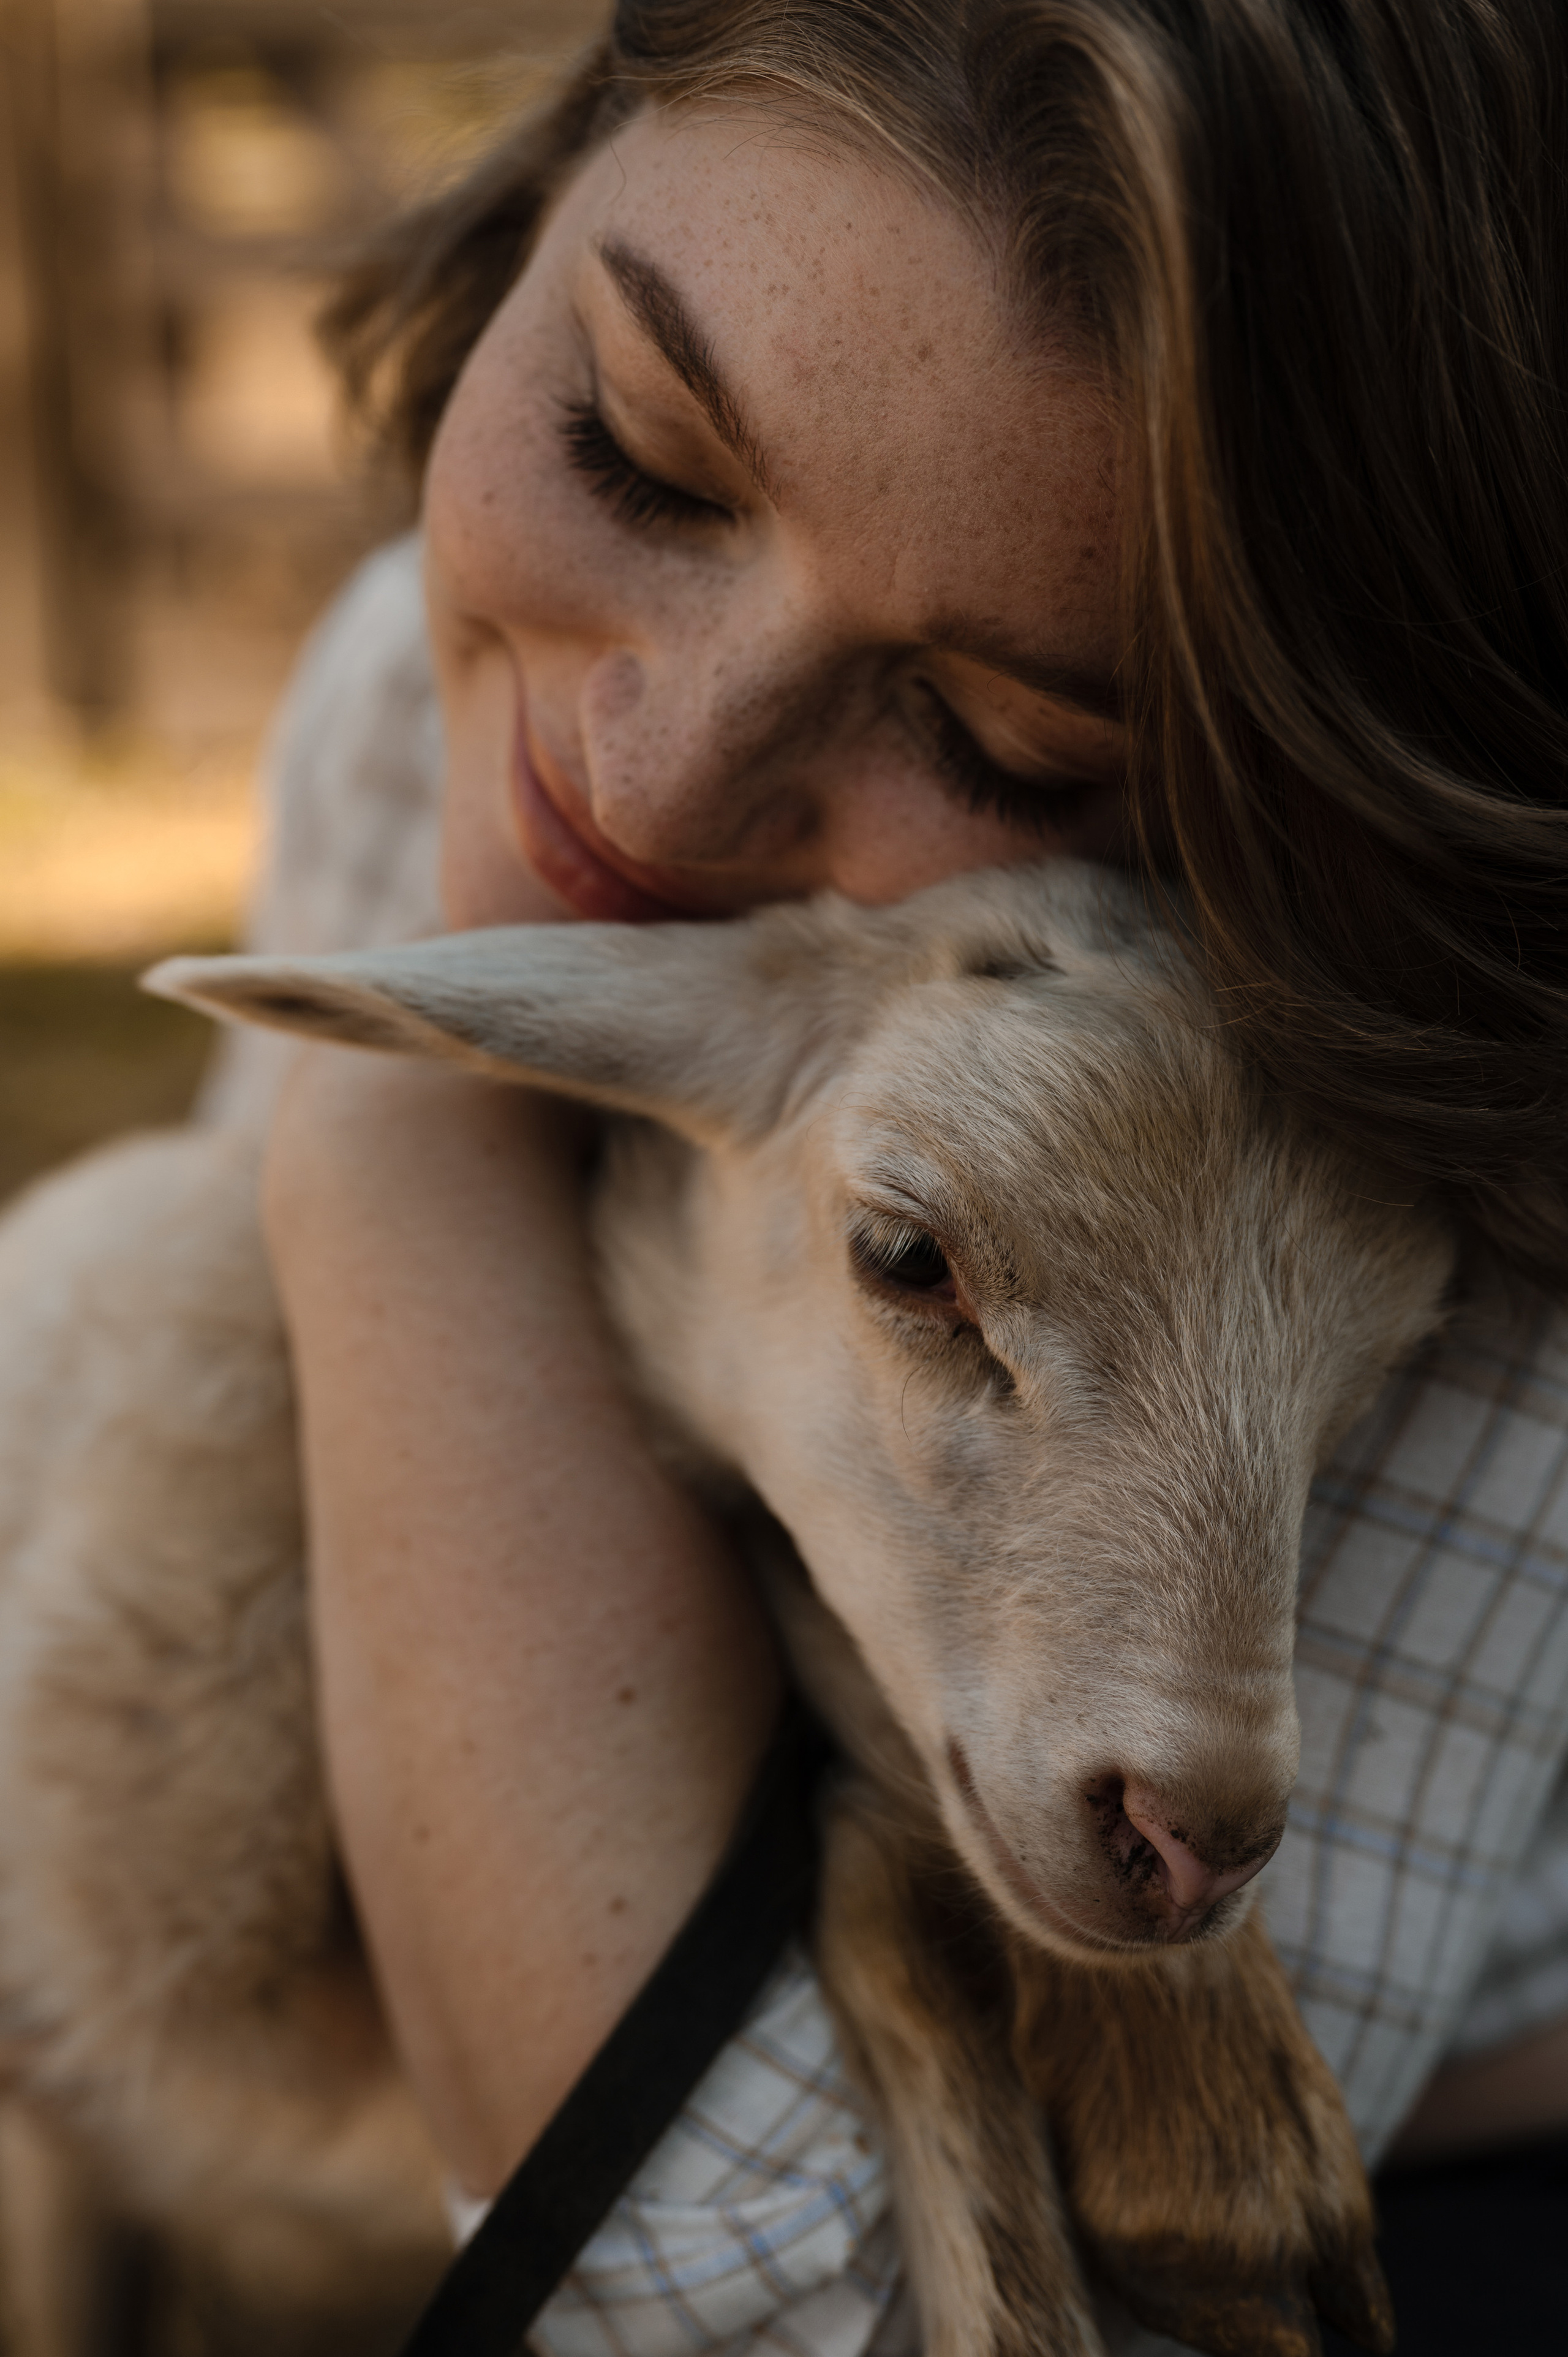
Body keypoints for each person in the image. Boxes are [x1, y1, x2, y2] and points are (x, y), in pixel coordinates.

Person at [216, 4, 1568, 2349]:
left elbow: (776, 2304)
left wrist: (382, 1135)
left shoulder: (1429, 1147)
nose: (637, 788)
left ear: (1286, 800)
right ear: (562, 169)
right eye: (633, 451)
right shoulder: (401, 681)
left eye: (994, 732)